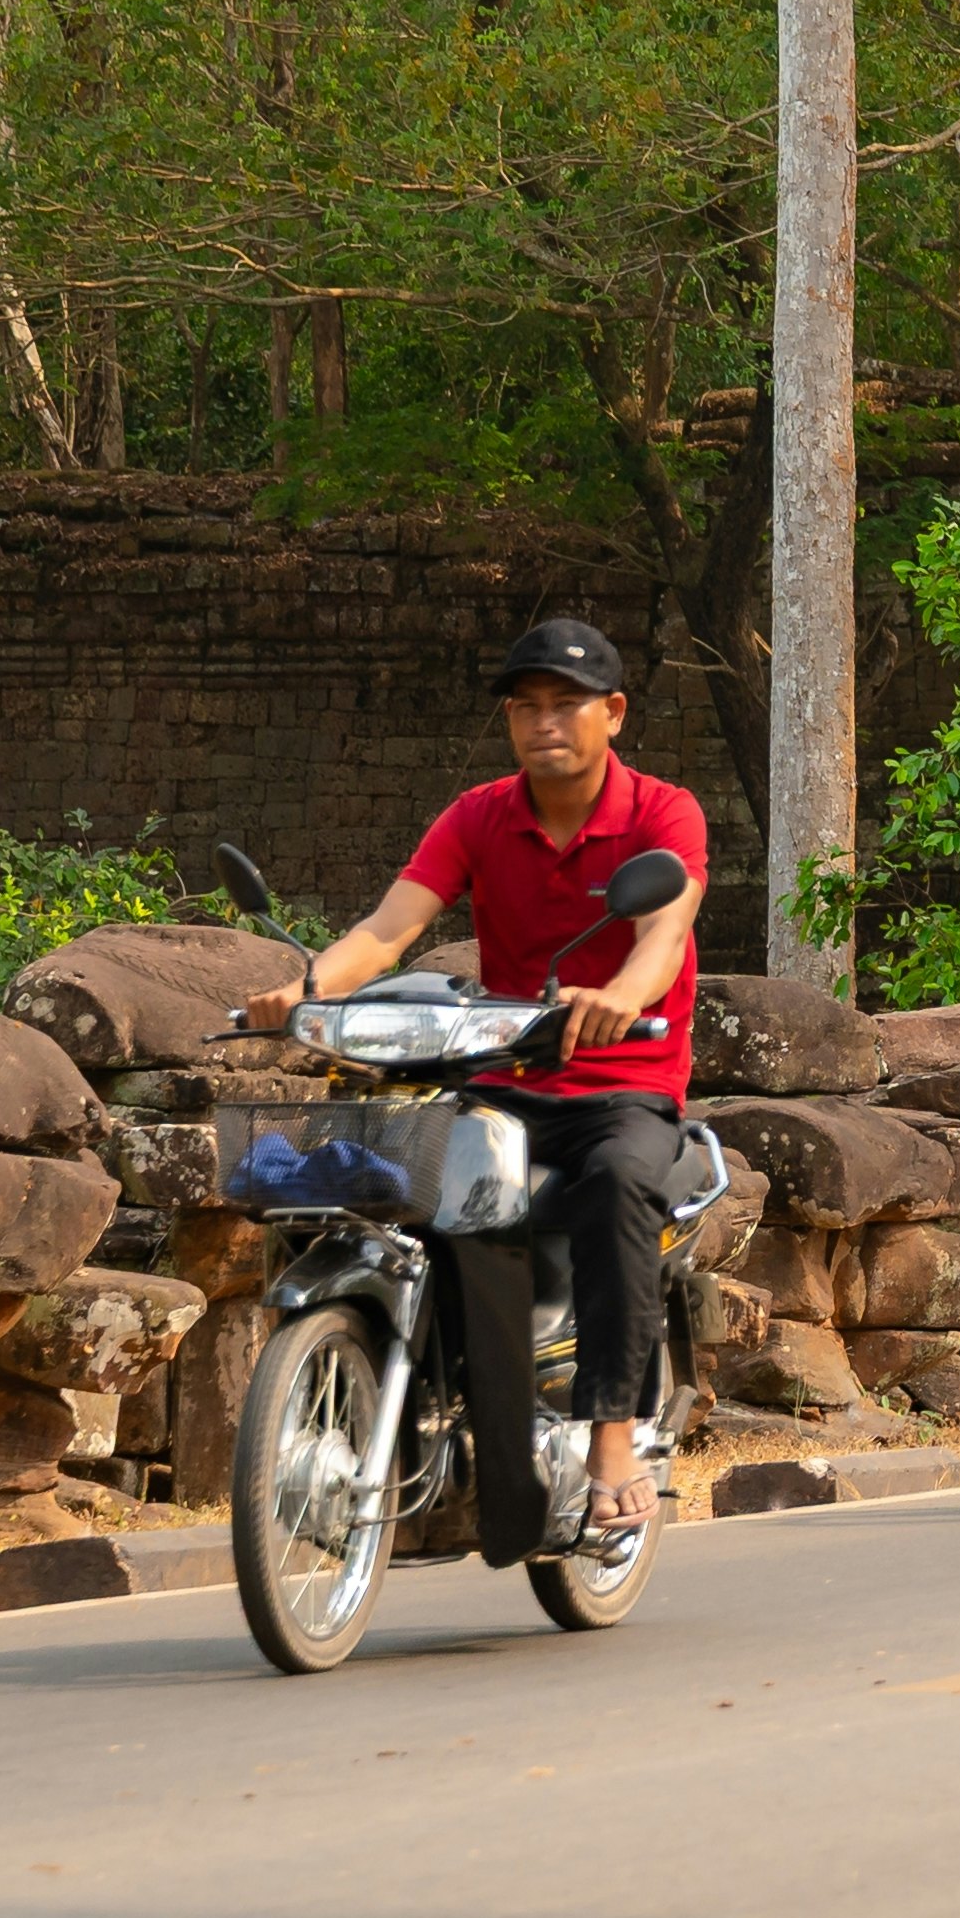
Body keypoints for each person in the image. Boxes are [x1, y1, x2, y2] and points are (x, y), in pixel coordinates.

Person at [241, 617, 701, 1544]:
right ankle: (402, 1401)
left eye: (565, 705)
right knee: (367, 1184)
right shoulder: (477, 815)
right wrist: (302, 990)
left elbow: (665, 935)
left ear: (613, 713)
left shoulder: (663, 813)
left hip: (622, 1086)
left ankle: (611, 1437)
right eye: (524, 707)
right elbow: (387, 929)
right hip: (504, 1083)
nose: (544, 724)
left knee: (618, 1184)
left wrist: (615, 995)